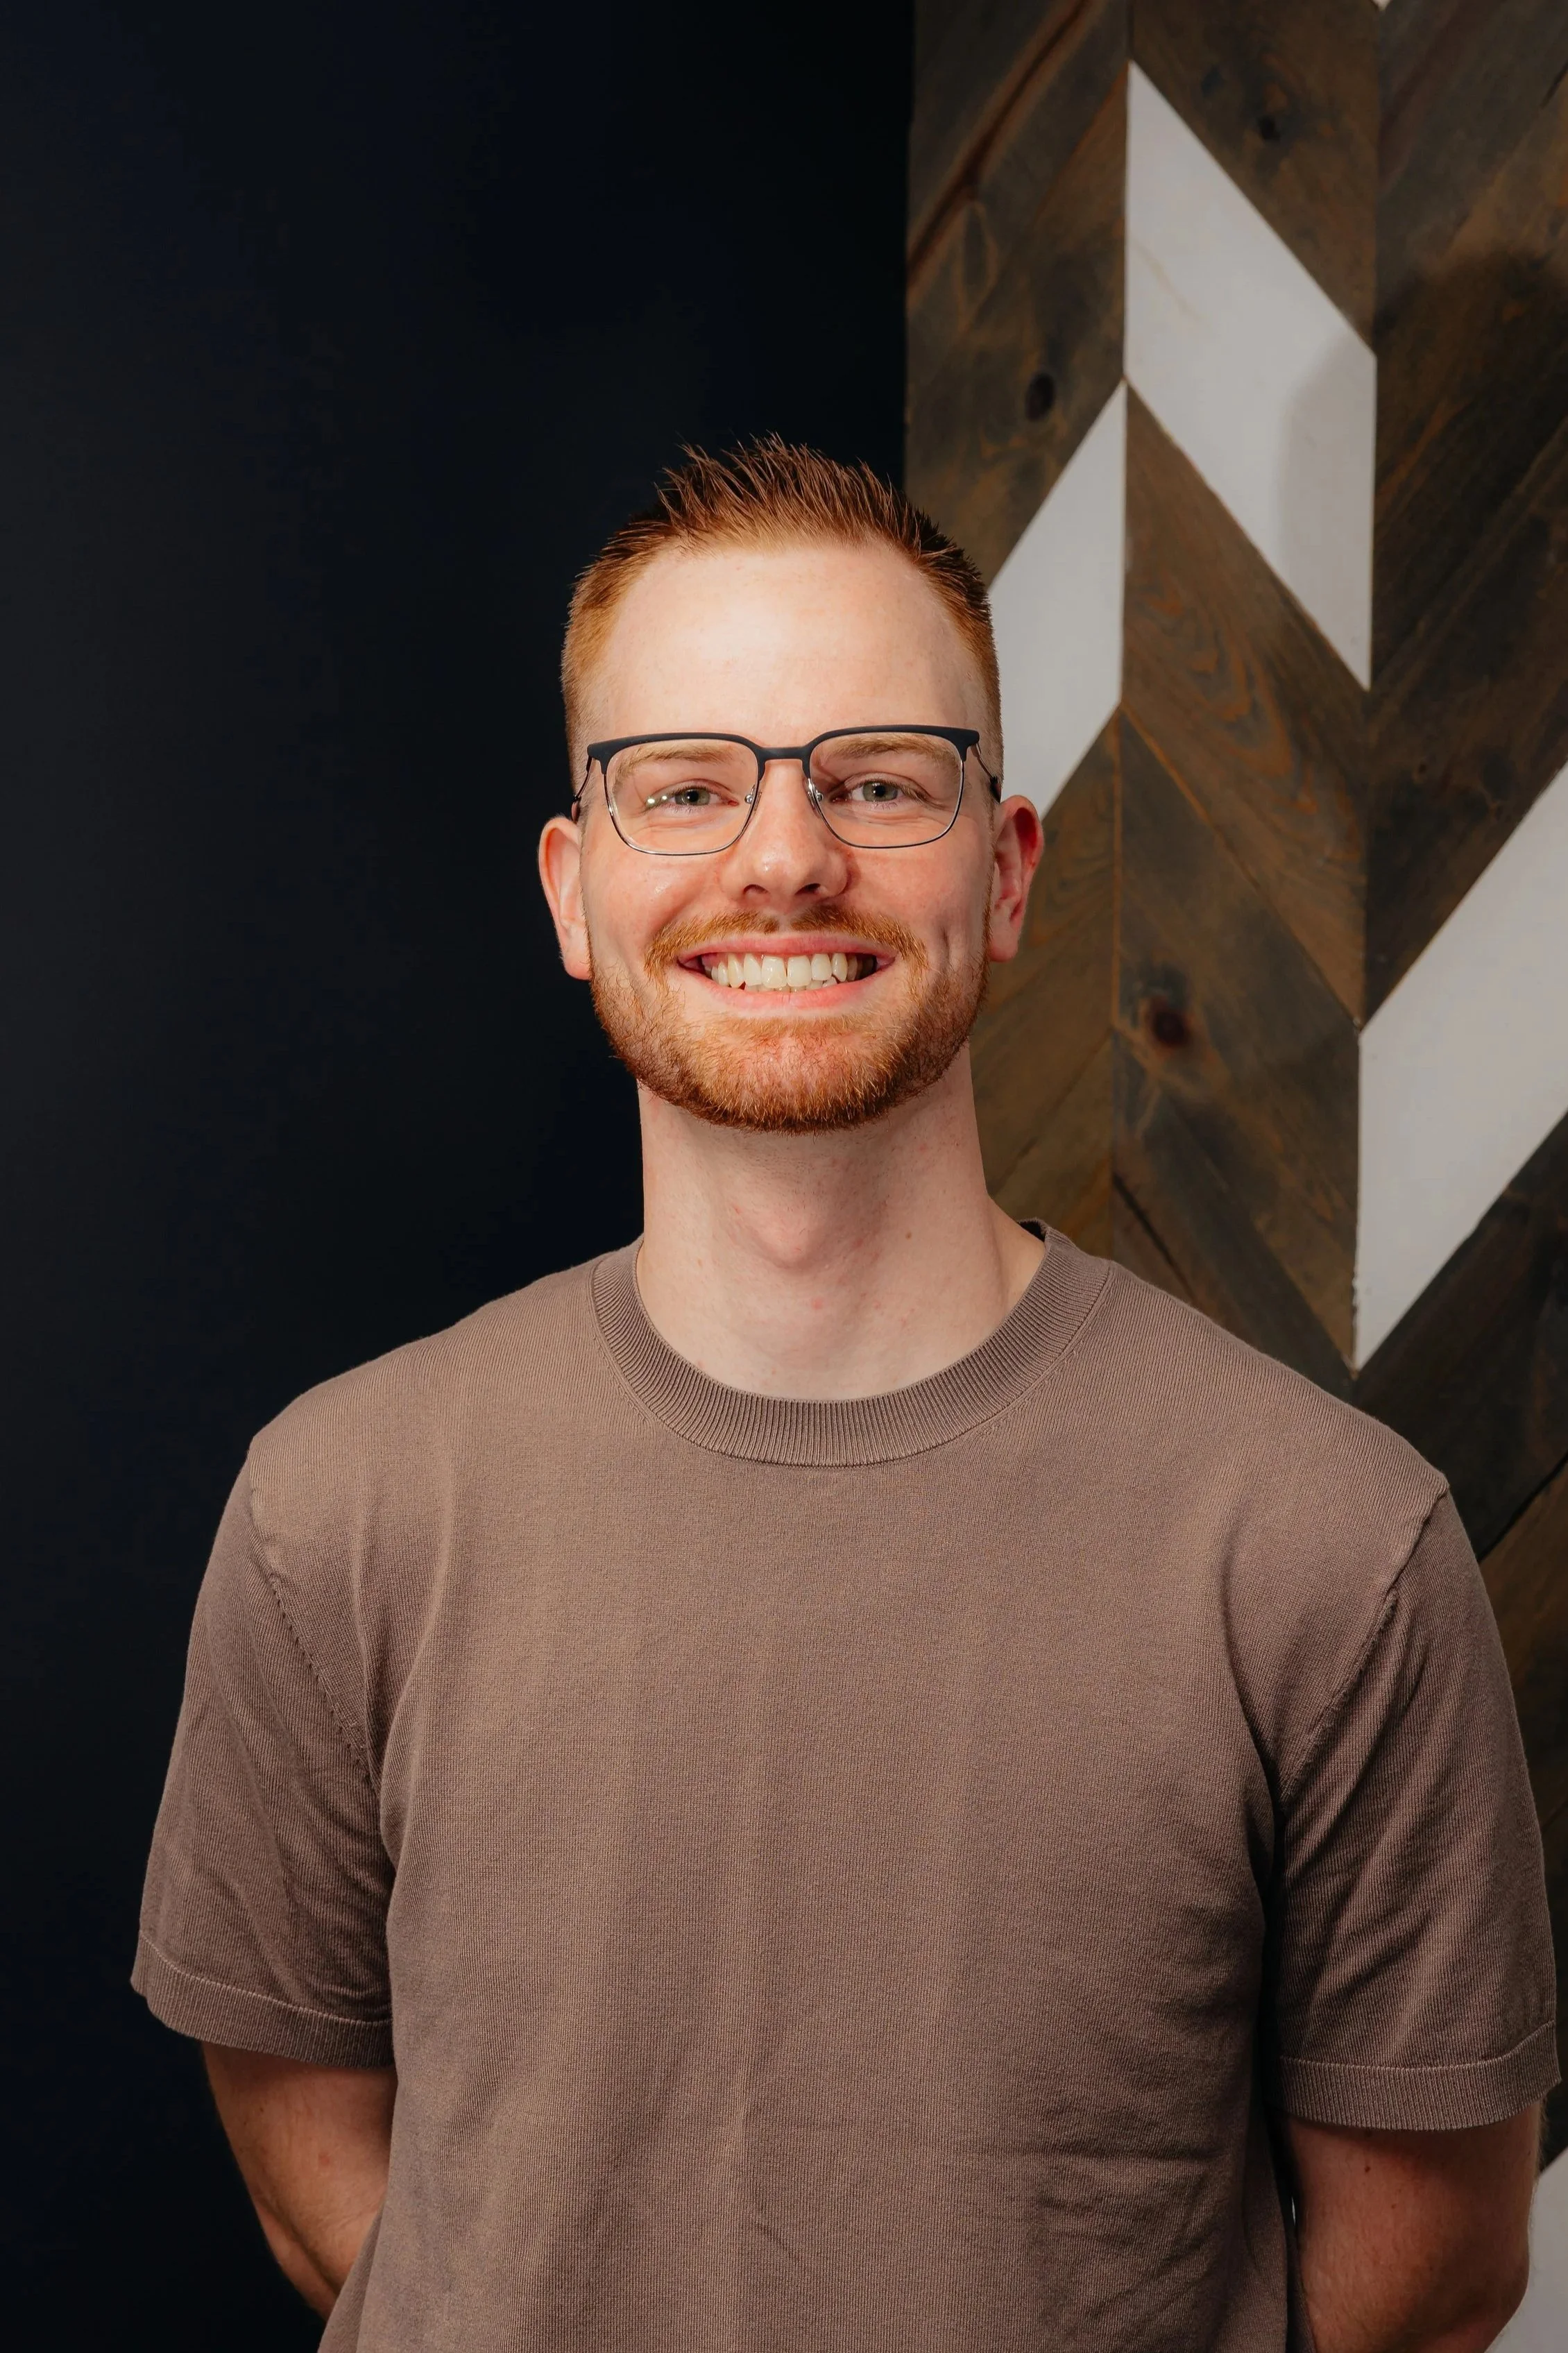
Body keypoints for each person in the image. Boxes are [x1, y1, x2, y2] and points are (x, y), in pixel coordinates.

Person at [135, 441, 1556, 2352]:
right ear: (574, 891)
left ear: (1005, 863)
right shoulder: (342, 1499)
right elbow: (312, 2135)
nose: (783, 855)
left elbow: (1434, 2264)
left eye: (879, 780)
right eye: (687, 785)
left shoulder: (1319, 1537)